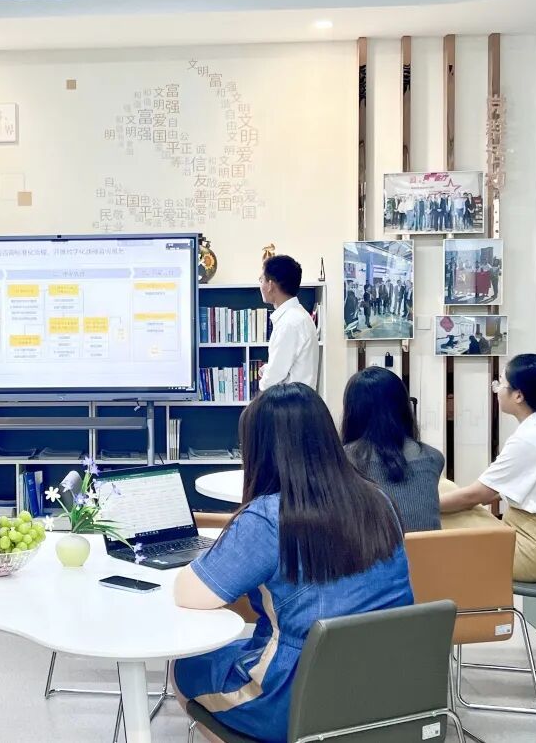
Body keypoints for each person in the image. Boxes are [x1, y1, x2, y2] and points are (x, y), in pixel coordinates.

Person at [172, 384, 413, 742]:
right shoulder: (379, 500)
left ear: (258, 450)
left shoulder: (268, 518)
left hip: (297, 695)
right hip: (391, 686)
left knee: (185, 668)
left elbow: (190, 594)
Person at [440, 354, 536, 582]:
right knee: (442, 488)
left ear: (518, 395)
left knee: (430, 519)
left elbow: (476, 496)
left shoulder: (532, 438)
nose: (496, 390)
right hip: (524, 538)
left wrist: (419, 506)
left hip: (530, 555)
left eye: (500, 384)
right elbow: (486, 493)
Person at [342, 367, 444, 532]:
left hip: (375, 549)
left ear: (352, 412)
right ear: (404, 407)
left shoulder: (343, 459)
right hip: (430, 549)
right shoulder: (433, 457)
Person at [258, 255, 318, 390]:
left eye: (261, 280)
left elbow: (271, 380)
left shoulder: (289, 323)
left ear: (270, 285)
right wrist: (268, 369)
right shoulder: (297, 315)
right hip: (299, 398)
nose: (260, 285)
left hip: (290, 401)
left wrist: (265, 378)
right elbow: (287, 366)